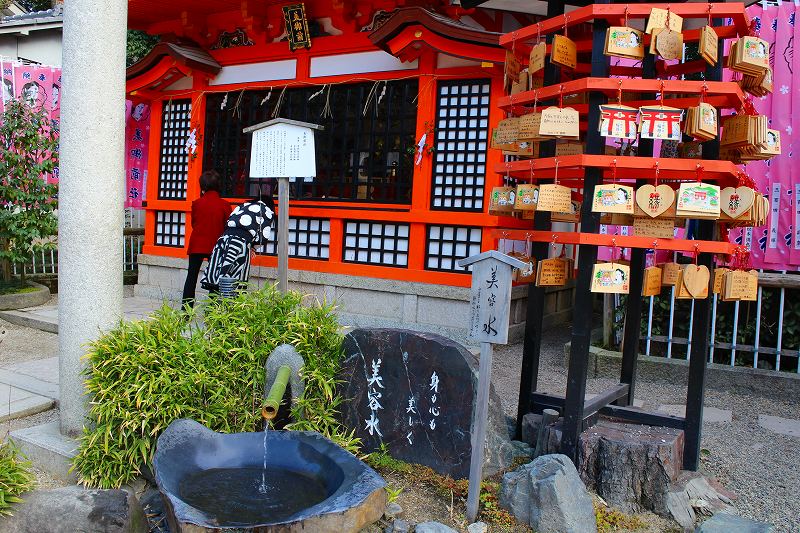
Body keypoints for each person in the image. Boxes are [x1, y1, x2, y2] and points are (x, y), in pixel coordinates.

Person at [182, 170, 232, 308]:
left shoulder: (197, 203)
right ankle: (211, 310)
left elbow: (194, 223)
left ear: (202, 186)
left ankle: (186, 310)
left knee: (191, 277)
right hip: (216, 245)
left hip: (197, 243)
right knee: (214, 276)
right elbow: (227, 226)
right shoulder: (225, 205)